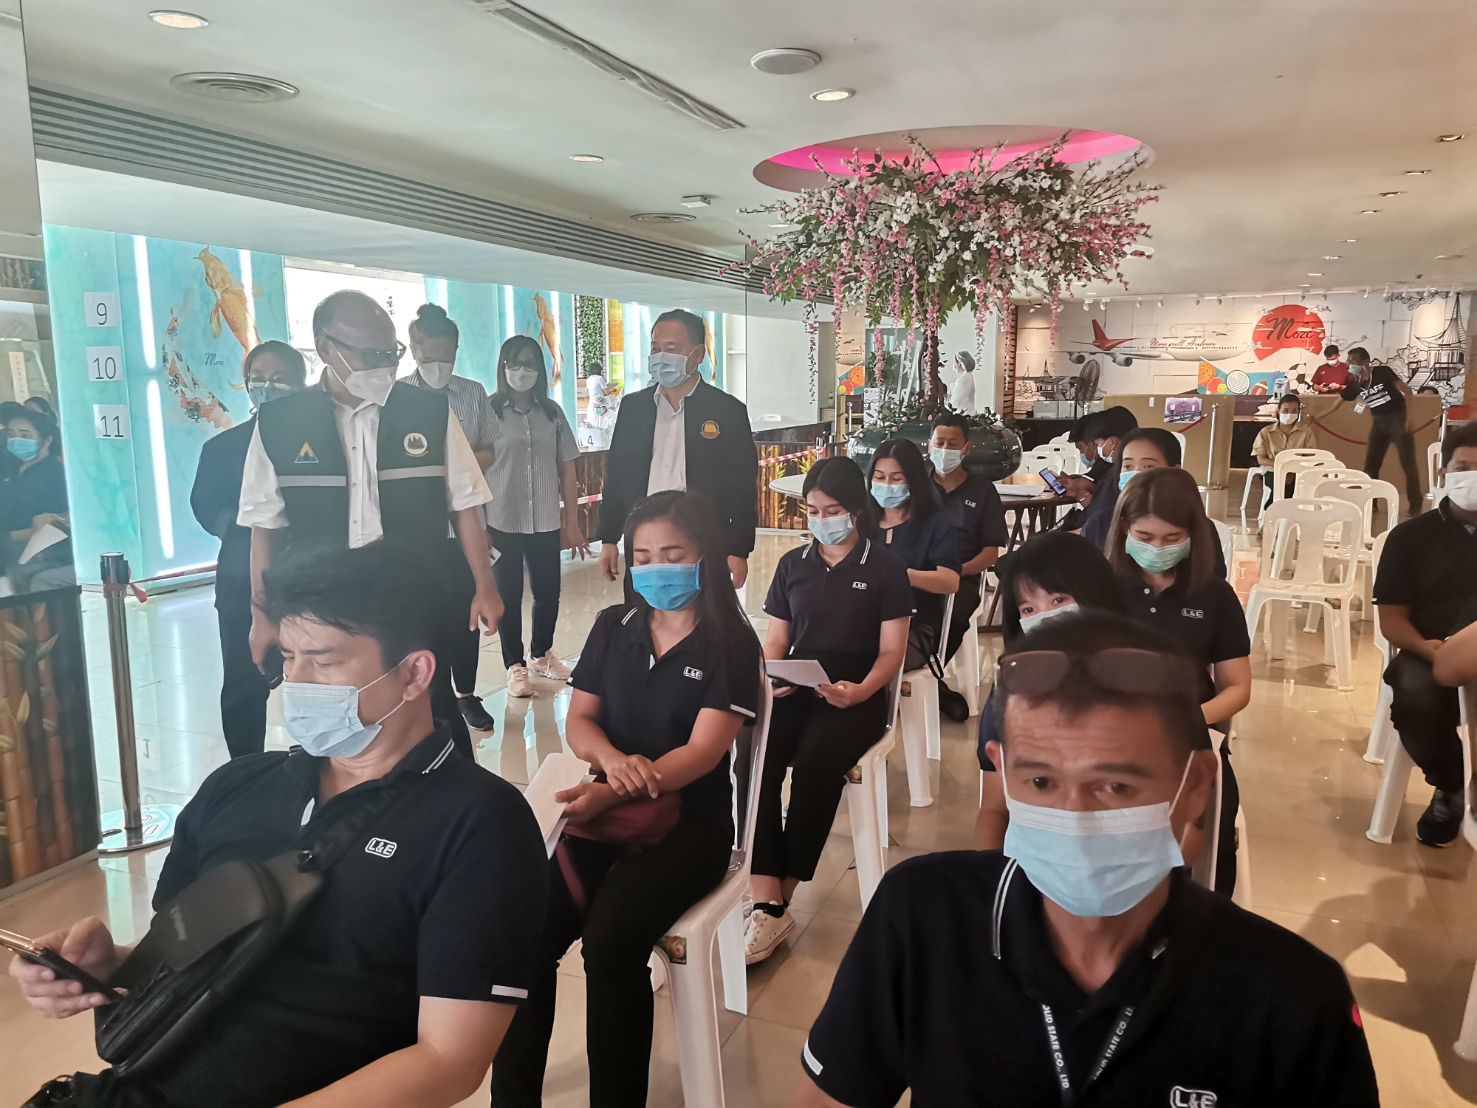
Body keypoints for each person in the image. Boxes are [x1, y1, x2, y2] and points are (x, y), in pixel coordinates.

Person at [7, 541, 548, 1108]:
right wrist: (112, 966)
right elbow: (190, 966)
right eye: (289, 657)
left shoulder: (481, 826)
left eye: (324, 661)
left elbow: (449, 1061)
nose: (296, 680)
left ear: (413, 673)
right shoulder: (236, 787)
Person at [789, 614, 1378, 1108]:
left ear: (1196, 785)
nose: (1075, 818)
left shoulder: (1291, 997)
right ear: (1001, 769)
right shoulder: (922, 916)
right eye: (1041, 781)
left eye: (1116, 786)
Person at [490, 490, 761, 1108]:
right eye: (643, 555)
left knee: (611, 942)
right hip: (602, 809)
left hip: (691, 823)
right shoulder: (614, 627)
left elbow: (702, 753)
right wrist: (612, 765)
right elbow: (580, 721)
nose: (656, 567)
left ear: (705, 555)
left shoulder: (730, 643)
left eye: (674, 554)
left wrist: (612, 791)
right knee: (524, 929)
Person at [237, 290, 502, 760]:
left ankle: (454, 791)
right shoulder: (280, 422)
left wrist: (485, 585)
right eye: (371, 355)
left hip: (412, 591)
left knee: (429, 700)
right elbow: (265, 527)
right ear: (325, 348)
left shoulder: (428, 411)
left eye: (391, 353)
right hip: (322, 598)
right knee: (334, 711)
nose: (385, 366)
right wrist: (262, 615)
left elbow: (465, 505)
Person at [746, 457, 912, 964]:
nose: (822, 520)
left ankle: (780, 897)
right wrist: (770, 678)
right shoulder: (793, 564)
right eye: (813, 510)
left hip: (856, 691)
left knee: (819, 760)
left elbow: (892, 653)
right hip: (800, 684)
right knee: (755, 753)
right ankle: (764, 888)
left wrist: (860, 692)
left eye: (832, 510)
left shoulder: (885, 568)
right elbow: (777, 641)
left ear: (856, 509)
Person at [1107, 466, 1251, 894]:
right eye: (1145, 537)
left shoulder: (1214, 595)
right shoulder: (1101, 588)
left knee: (1210, 827)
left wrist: (1189, 720)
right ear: (1124, 529)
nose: (1157, 548)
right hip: (1111, 734)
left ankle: (1196, 912)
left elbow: (1237, 687)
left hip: (1188, 734)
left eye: (1172, 538)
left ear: (1193, 534)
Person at [190, 340, 307, 757]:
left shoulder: (320, 443)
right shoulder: (222, 448)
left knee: (320, 677)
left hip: (309, 579)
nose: (267, 387)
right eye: (258, 379)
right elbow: (205, 506)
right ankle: (246, 769)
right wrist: (249, 527)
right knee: (243, 683)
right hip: (241, 581)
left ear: (301, 383)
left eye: (279, 379)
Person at [975, 531, 1128, 848]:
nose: (1045, 619)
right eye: (1028, 610)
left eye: (1058, 600)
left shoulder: (1145, 681)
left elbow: (1182, 822)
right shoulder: (1011, 690)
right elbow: (994, 808)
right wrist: (991, 869)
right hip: (1038, 852)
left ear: (1095, 595)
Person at [598, 308, 758, 588]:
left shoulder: (727, 411)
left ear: (698, 354)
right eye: (655, 349)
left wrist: (738, 549)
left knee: (703, 611)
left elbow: (743, 486)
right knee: (643, 609)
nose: (662, 357)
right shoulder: (633, 408)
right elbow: (616, 476)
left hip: (703, 538)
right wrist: (609, 538)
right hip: (644, 539)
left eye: (672, 349)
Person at [1372, 421, 1477, 846]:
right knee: (1415, 696)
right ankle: (1451, 785)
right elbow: (1392, 620)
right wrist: (1429, 649)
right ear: (1444, 473)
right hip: (1426, 647)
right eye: (1465, 468)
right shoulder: (1411, 538)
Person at [406, 303, 500, 732]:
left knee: (467, 616)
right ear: (413, 348)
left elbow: (489, 449)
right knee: (422, 616)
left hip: (467, 525)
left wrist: (454, 468)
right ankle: (429, 696)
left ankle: (466, 694)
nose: (438, 367)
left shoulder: (472, 393)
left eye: (446, 358)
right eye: (429, 358)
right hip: (417, 529)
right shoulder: (396, 397)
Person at [484, 336, 587, 699]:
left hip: (544, 518)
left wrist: (572, 523)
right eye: (514, 363)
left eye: (529, 364)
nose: (522, 371)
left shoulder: (552, 413)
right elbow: (474, 471)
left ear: (540, 370)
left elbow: (568, 469)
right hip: (501, 519)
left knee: (548, 592)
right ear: (503, 367)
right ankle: (515, 665)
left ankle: (541, 654)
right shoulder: (489, 412)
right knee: (508, 595)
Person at [930, 413, 1008, 720]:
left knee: (954, 610)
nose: (945, 450)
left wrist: (955, 572)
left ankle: (923, 676)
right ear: (929, 444)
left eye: (953, 444)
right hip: (919, 573)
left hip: (962, 576)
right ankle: (922, 681)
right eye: (939, 442)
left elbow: (991, 553)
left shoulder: (982, 491)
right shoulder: (916, 487)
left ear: (966, 448)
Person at [868, 437, 960, 673]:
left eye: (896, 478)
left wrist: (903, 575)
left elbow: (950, 581)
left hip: (916, 627)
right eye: (879, 477)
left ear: (913, 480)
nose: (887, 485)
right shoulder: (862, 522)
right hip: (864, 622)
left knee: (865, 661)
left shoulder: (935, 524)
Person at [0, 407, 74, 592]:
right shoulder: (11, 470)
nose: (16, 440)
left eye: (25, 435)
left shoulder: (55, 475)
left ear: (46, 440)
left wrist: (7, 537)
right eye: (11, 435)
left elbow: (51, 526)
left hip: (34, 554)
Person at [1341, 358, 1423, 512]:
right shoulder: (1355, 382)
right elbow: (1341, 399)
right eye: (1349, 361)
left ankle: (1415, 503)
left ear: (1364, 361)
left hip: (1398, 418)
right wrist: (1321, 414)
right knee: (1371, 465)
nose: (1349, 364)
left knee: (1408, 463)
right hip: (1379, 422)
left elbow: (1406, 391)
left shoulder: (1382, 372)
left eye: (1353, 360)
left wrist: (1409, 418)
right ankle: (1371, 503)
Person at [1078, 405, 1139, 547]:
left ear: (1111, 443)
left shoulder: (1115, 477)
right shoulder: (1112, 474)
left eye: (1098, 444)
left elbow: (1101, 528)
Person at [1252, 393, 1319, 499]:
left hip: (1298, 472)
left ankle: (1286, 505)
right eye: (1285, 410)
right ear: (1278, 410)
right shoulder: (1266, 432)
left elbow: (1312, 457)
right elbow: (1261, 459)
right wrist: (1283, 467)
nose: (1289, 414)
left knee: (1298, 487)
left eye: (1294, 411)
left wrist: (1293, 470)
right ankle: (1274, 505)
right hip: (1274, 470)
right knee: (1277, 487)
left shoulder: (1306, 432)